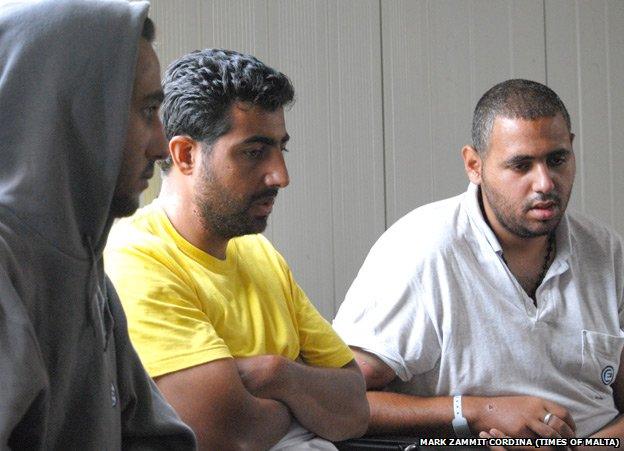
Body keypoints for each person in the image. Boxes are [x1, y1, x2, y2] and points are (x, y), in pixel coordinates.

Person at [105, 48, 369, 450]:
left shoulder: (260, 254)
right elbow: (224, 435)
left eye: (282, 148)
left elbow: (354, 408)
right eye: (253, 152)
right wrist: (305, 413)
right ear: (185, 155)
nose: (280, 175)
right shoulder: (136, 258)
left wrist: (274, 373)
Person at [333, 79, 624, 442]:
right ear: (474, 165)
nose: (545, 183)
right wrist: (473, 411)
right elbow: (333, 401)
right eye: (521, 165)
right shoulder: (421, 250)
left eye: (557, 159)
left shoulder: (605, 250)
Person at [0, 0, 196, 448]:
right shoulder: (7, 265)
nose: (164, 145)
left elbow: (156, 438)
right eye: (148, 111)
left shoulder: (87, 271)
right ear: (73, 110)